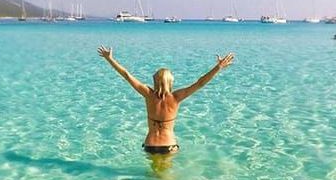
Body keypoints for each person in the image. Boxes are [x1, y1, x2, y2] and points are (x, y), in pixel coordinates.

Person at [97, 46, 235, 163]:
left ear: (155, 81)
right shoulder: (176, 97)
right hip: (169, 146)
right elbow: (200, 83)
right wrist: (218, 67)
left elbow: (127, 75)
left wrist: (109, 59)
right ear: (170, 81)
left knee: (153, 179)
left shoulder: (148, 94)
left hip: (150, 145)